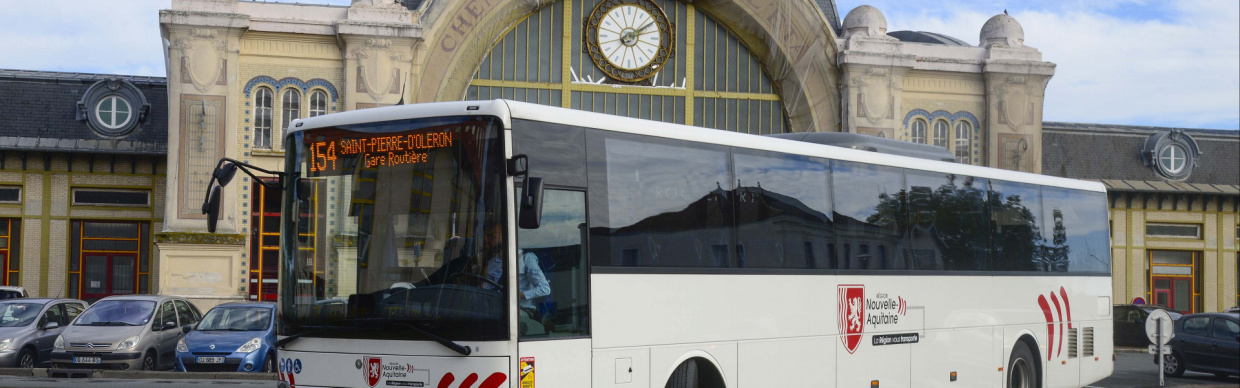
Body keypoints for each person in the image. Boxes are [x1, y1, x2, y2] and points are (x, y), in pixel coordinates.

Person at [482, 223, 550, 312]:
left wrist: (518, 295)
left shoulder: (526, 258)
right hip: (498, 310)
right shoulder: (491, 263)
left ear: (505, 236)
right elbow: (488, 289)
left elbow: (544, 289)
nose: (486, 240)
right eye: (485, 236)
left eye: (491, 236)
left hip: (522, 311)